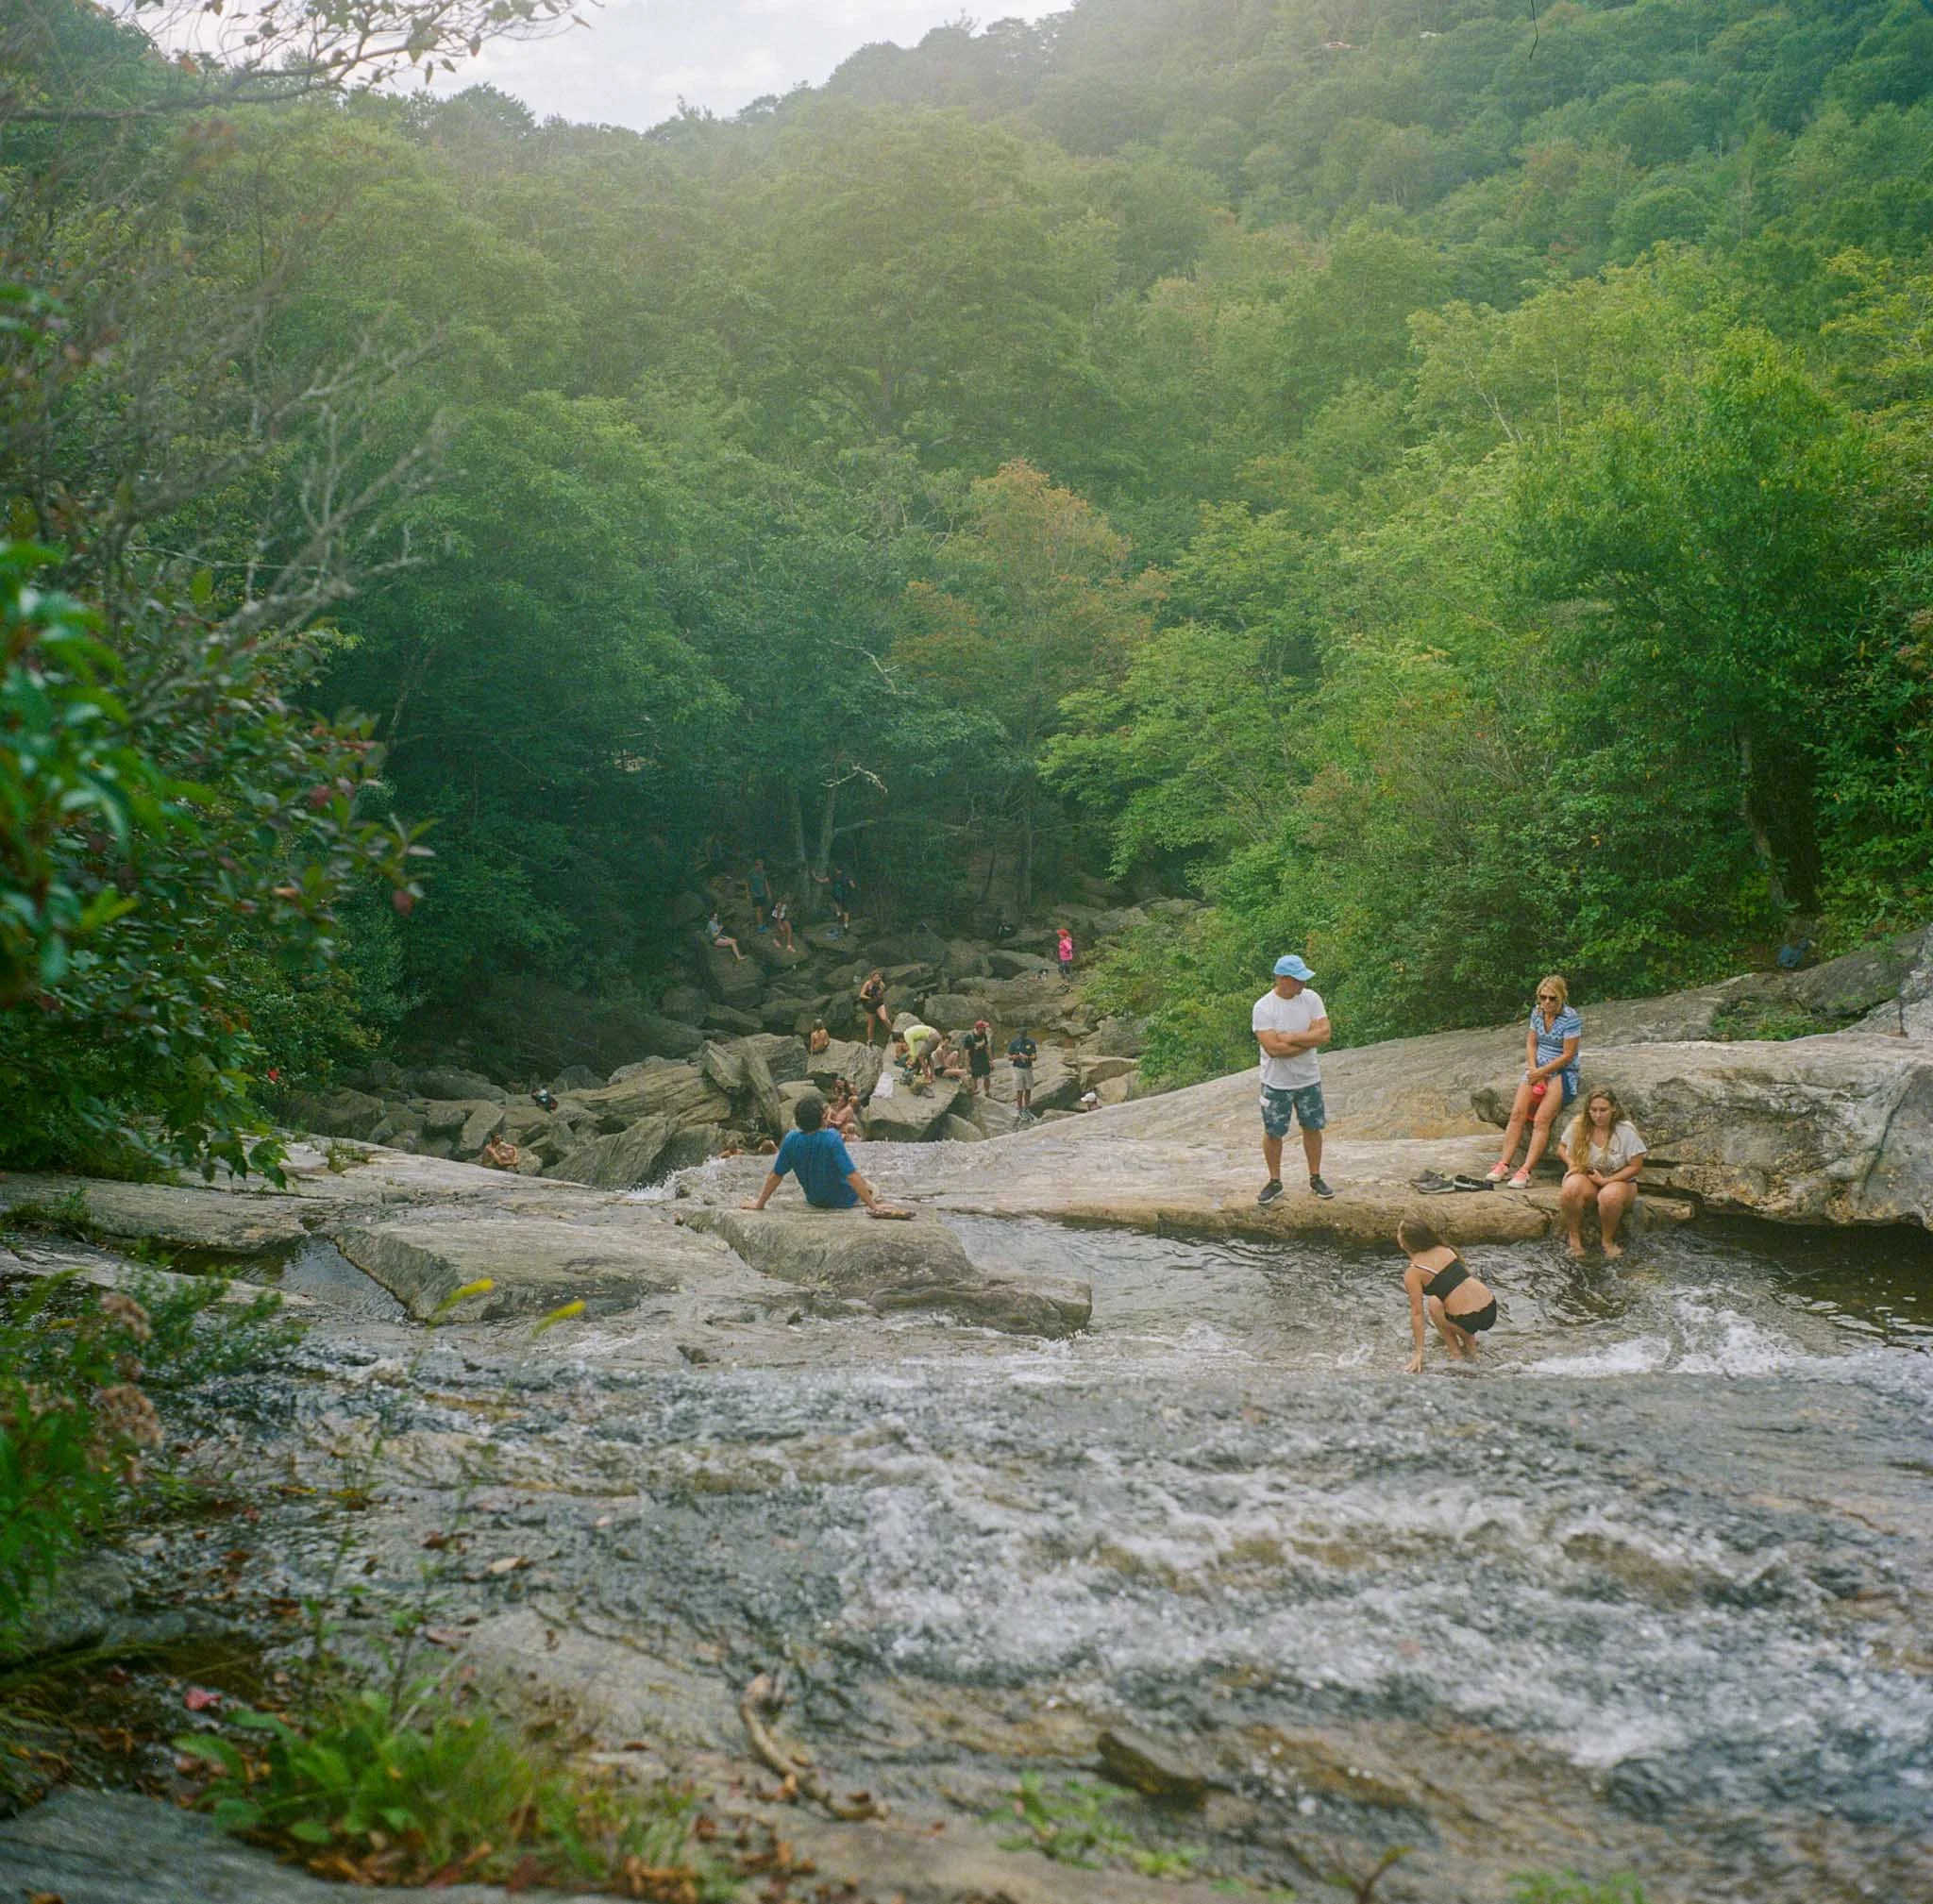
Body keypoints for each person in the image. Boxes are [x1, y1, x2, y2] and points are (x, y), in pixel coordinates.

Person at [1487, 975, 1581, 1188]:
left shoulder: (1571, 1018)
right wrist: (1532, 1068)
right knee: (1517, 1114)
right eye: (1543, 998)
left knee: (1541, 1120)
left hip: (1561, 1070)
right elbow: (1531, 1043)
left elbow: (1568, 1054)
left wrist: (1543, 1073)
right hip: (1536, 1067)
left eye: (1552, 999)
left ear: (1562, 998)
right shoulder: (1537, 1013)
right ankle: (1503, 1164)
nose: (1547, 1003)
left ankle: (1525, 1170)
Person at [1252, 953, 1333, 1204]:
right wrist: (1307, 1041)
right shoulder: (1264, 1007)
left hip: (1308, 1078)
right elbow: (1273, 1050)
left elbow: (1325, 1034)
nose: (1303, 985)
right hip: (1277, 1083)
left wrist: (1289, 1037)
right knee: (1274, 1132)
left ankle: (1315, 1177)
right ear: (1282, 979)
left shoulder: (1311, 998)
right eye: (1298, 980)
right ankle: (1275, 1181)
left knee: (1313, 1127)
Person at [743, 1093, 904, 1215]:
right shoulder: (832, 1138)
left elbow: (775, 1175)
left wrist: (759, 1204)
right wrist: (874, 1207)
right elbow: (851, 1175)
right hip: (843, 1201)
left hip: (815, 1200)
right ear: (821, 1119)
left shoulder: (791, 1139)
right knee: (871, 1186)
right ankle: (875, 1200)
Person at [1399, 1217, 1498, 1372]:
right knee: (1443, 1299)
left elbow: (1417, 1313)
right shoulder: (1445, 1249)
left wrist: (1419, 1353)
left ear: (1404, 1242)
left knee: (1433, 1303)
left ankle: (1456, 1353)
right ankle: (1472, 1351)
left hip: (1468, 1319)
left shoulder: (1414, 1272)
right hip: (1491, 1309)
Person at [1558, 1087, 1647, 1258]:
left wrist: (1607, 1181)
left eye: (1603, 1110)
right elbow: (1561, 1148)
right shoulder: (1579, 1124)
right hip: (1588, 1176)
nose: (1598, 1115)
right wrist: (1572, 1164)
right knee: (1570, 1190)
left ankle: (1607, 1241)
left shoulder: (1625, 1130)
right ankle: (1574, 1239)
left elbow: (1635, 1166)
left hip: (1620, 1180)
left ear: (1613, 1108)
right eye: (1594, 1110)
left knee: (1609, 1197)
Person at [1007, 1026, 1037, 1117]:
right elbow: (1009, 1057)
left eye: (1023, 1034)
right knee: (1019, 1089)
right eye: (1020, 1034)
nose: (1021, 1036)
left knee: (1028, 1089)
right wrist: (1015, 1057)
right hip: (1018, 1068)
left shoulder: (1030, 1043)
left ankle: (1027, 1107)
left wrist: (1028, 1057)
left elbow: (1034, 1056)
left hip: (1028, 1068)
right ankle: (1019, 1109)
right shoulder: (1014, 1043)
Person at [961, 1019, 994, 1097]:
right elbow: (966, 1052)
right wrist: (967, 1065)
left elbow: (987, 1047)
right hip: (974, 1060)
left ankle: (987, 1092)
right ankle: (973, 1091)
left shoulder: (984, 1035)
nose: (985, 1029)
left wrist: (991, 1060)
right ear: (979, 1028)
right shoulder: (970, 1037)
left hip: (984, 1059)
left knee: (987, 1076)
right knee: (974, 1077)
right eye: (984, 1028)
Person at [857, 969, 890, 1045]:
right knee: (871, 1025)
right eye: (875, 977)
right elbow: (861, 995)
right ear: (872, 978)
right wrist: (869, 997)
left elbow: (881, 994)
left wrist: (880, 992)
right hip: (870, 1005)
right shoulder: (868, 984)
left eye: (878, 977)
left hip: (879, 1004)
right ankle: (870, 1040)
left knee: (884, 1018)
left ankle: (892, 1033)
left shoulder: (881, 984)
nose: (877, 978)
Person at [827, 1075, 862, 1140]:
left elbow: (856, 1096)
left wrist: (849, 1100)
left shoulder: (850, 1087)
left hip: (850, 1102)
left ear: (844, 1082)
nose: (838, 1084)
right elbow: (838, 1099)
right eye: (837, 1083)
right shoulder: (837, 1089)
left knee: (854, 1099)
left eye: (840, 1082)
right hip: (842, 1102)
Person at [747, 857, 771, 931]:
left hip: (762, 894)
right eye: (759, 865)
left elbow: (765, 882)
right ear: (756, 865)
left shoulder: (763, 873)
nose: (761, 867)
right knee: (758, 909)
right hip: (755, 894)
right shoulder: (751, 873)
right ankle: (760, 926)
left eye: (762, 865)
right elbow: (747, 883)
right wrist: (747, 893)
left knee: (762, 910)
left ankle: (762, 924)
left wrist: (768, 892)